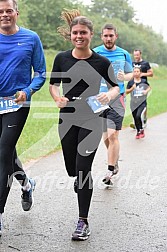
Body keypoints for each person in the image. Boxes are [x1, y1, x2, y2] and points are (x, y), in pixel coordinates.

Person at [49, 10, 119, 241]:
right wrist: (57, 97)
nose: (79, 36)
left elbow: (115, 86)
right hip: (67, 118)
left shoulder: (101, 61)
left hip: (92, 118)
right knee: (72, 169)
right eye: (75, 33)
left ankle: (83, 221)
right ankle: (79, 183)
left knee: (82, 171)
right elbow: (53, 85)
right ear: (70, 35)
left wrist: (108, 96)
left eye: (83, 33)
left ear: (91, 35)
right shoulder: (62, 58)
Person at [0, 0, 46, 236]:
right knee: (7, 153)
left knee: (2, 152)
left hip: (17, 103)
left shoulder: (31, 38)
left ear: (16, 12)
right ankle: (27, 185)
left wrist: (27, 91)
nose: (4, 15)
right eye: (0, 11)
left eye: (8, 11)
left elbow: (41, 73)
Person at [93, 24, 133, 185]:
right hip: (100, 98)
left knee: (113, 134)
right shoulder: (95, 52)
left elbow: (131, 74)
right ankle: (114, 161)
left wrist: (125, 77)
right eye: (105, 36)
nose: (108, 39)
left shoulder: (124, 54)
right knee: (105, 137)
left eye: (111, 36)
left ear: (116, 36)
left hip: (118, 98)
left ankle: (110, 170)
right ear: (101, 37)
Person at [130, 49, 153, 129]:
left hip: (143, 85)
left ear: (140, 55)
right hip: (134, 85)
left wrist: (143, 74)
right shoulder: (132, 63)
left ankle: (144, 118)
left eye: (137, 55)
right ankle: (135, 120)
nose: (136, 57)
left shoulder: (145, 63)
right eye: (135, 55)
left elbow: (151, 73)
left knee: (143, 103)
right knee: (134, 101)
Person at [126, 66, 151, 139]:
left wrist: (146, 91)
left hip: (142, 102)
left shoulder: (143, 81)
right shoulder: (131, 82)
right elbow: (126, 92)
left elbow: (149, 87)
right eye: (135, 71)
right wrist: (132, 88)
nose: (136, 73)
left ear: (140, 73)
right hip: (133, 103)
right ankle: (138, 131)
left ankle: (141, 129)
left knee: (138, 116)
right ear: (133, 73)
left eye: (138, 71)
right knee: (135, 118)